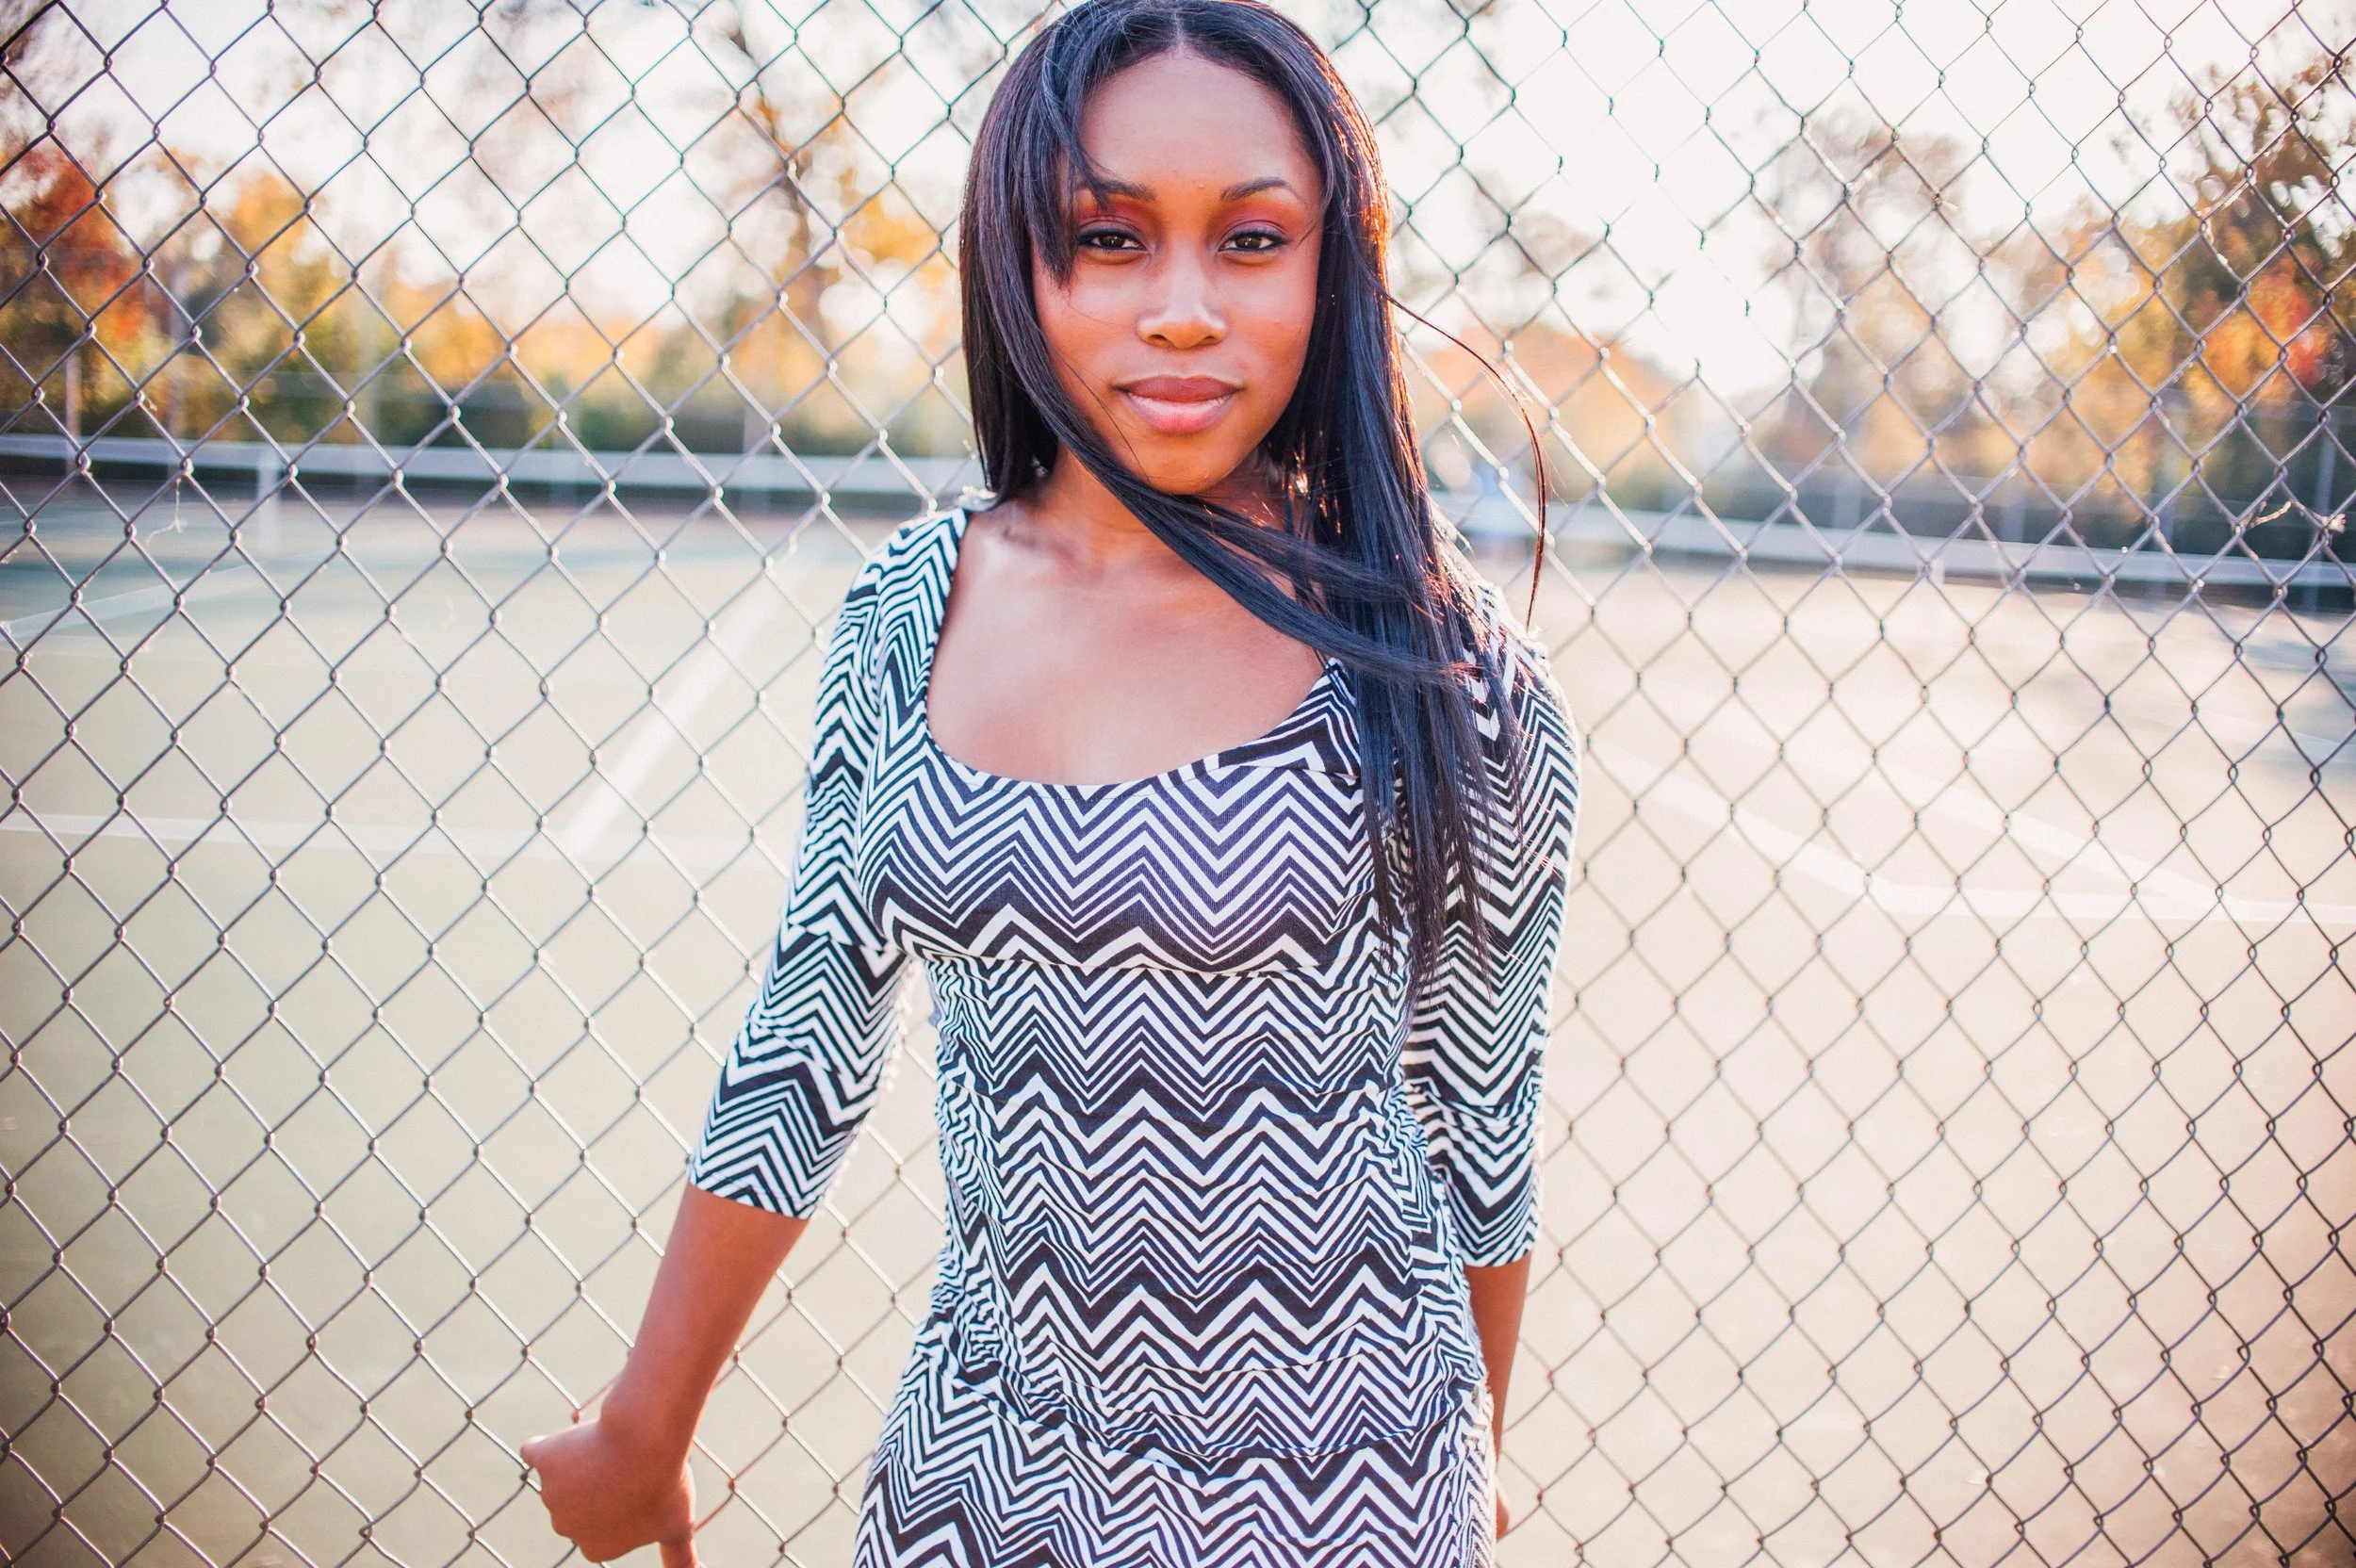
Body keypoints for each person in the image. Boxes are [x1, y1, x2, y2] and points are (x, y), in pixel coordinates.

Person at [519, 1, 1579, 1562]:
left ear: (1331, 271)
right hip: (979, 1473)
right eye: (1106, 236)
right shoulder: (905, 614)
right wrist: (643, 1425)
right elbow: (804, 1037)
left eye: (1252, 240)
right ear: (1017, 258)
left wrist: (1467, 1457)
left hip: (1345, 1497)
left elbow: (1481, 1120)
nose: (1179, 310)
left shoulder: (1443, 671)